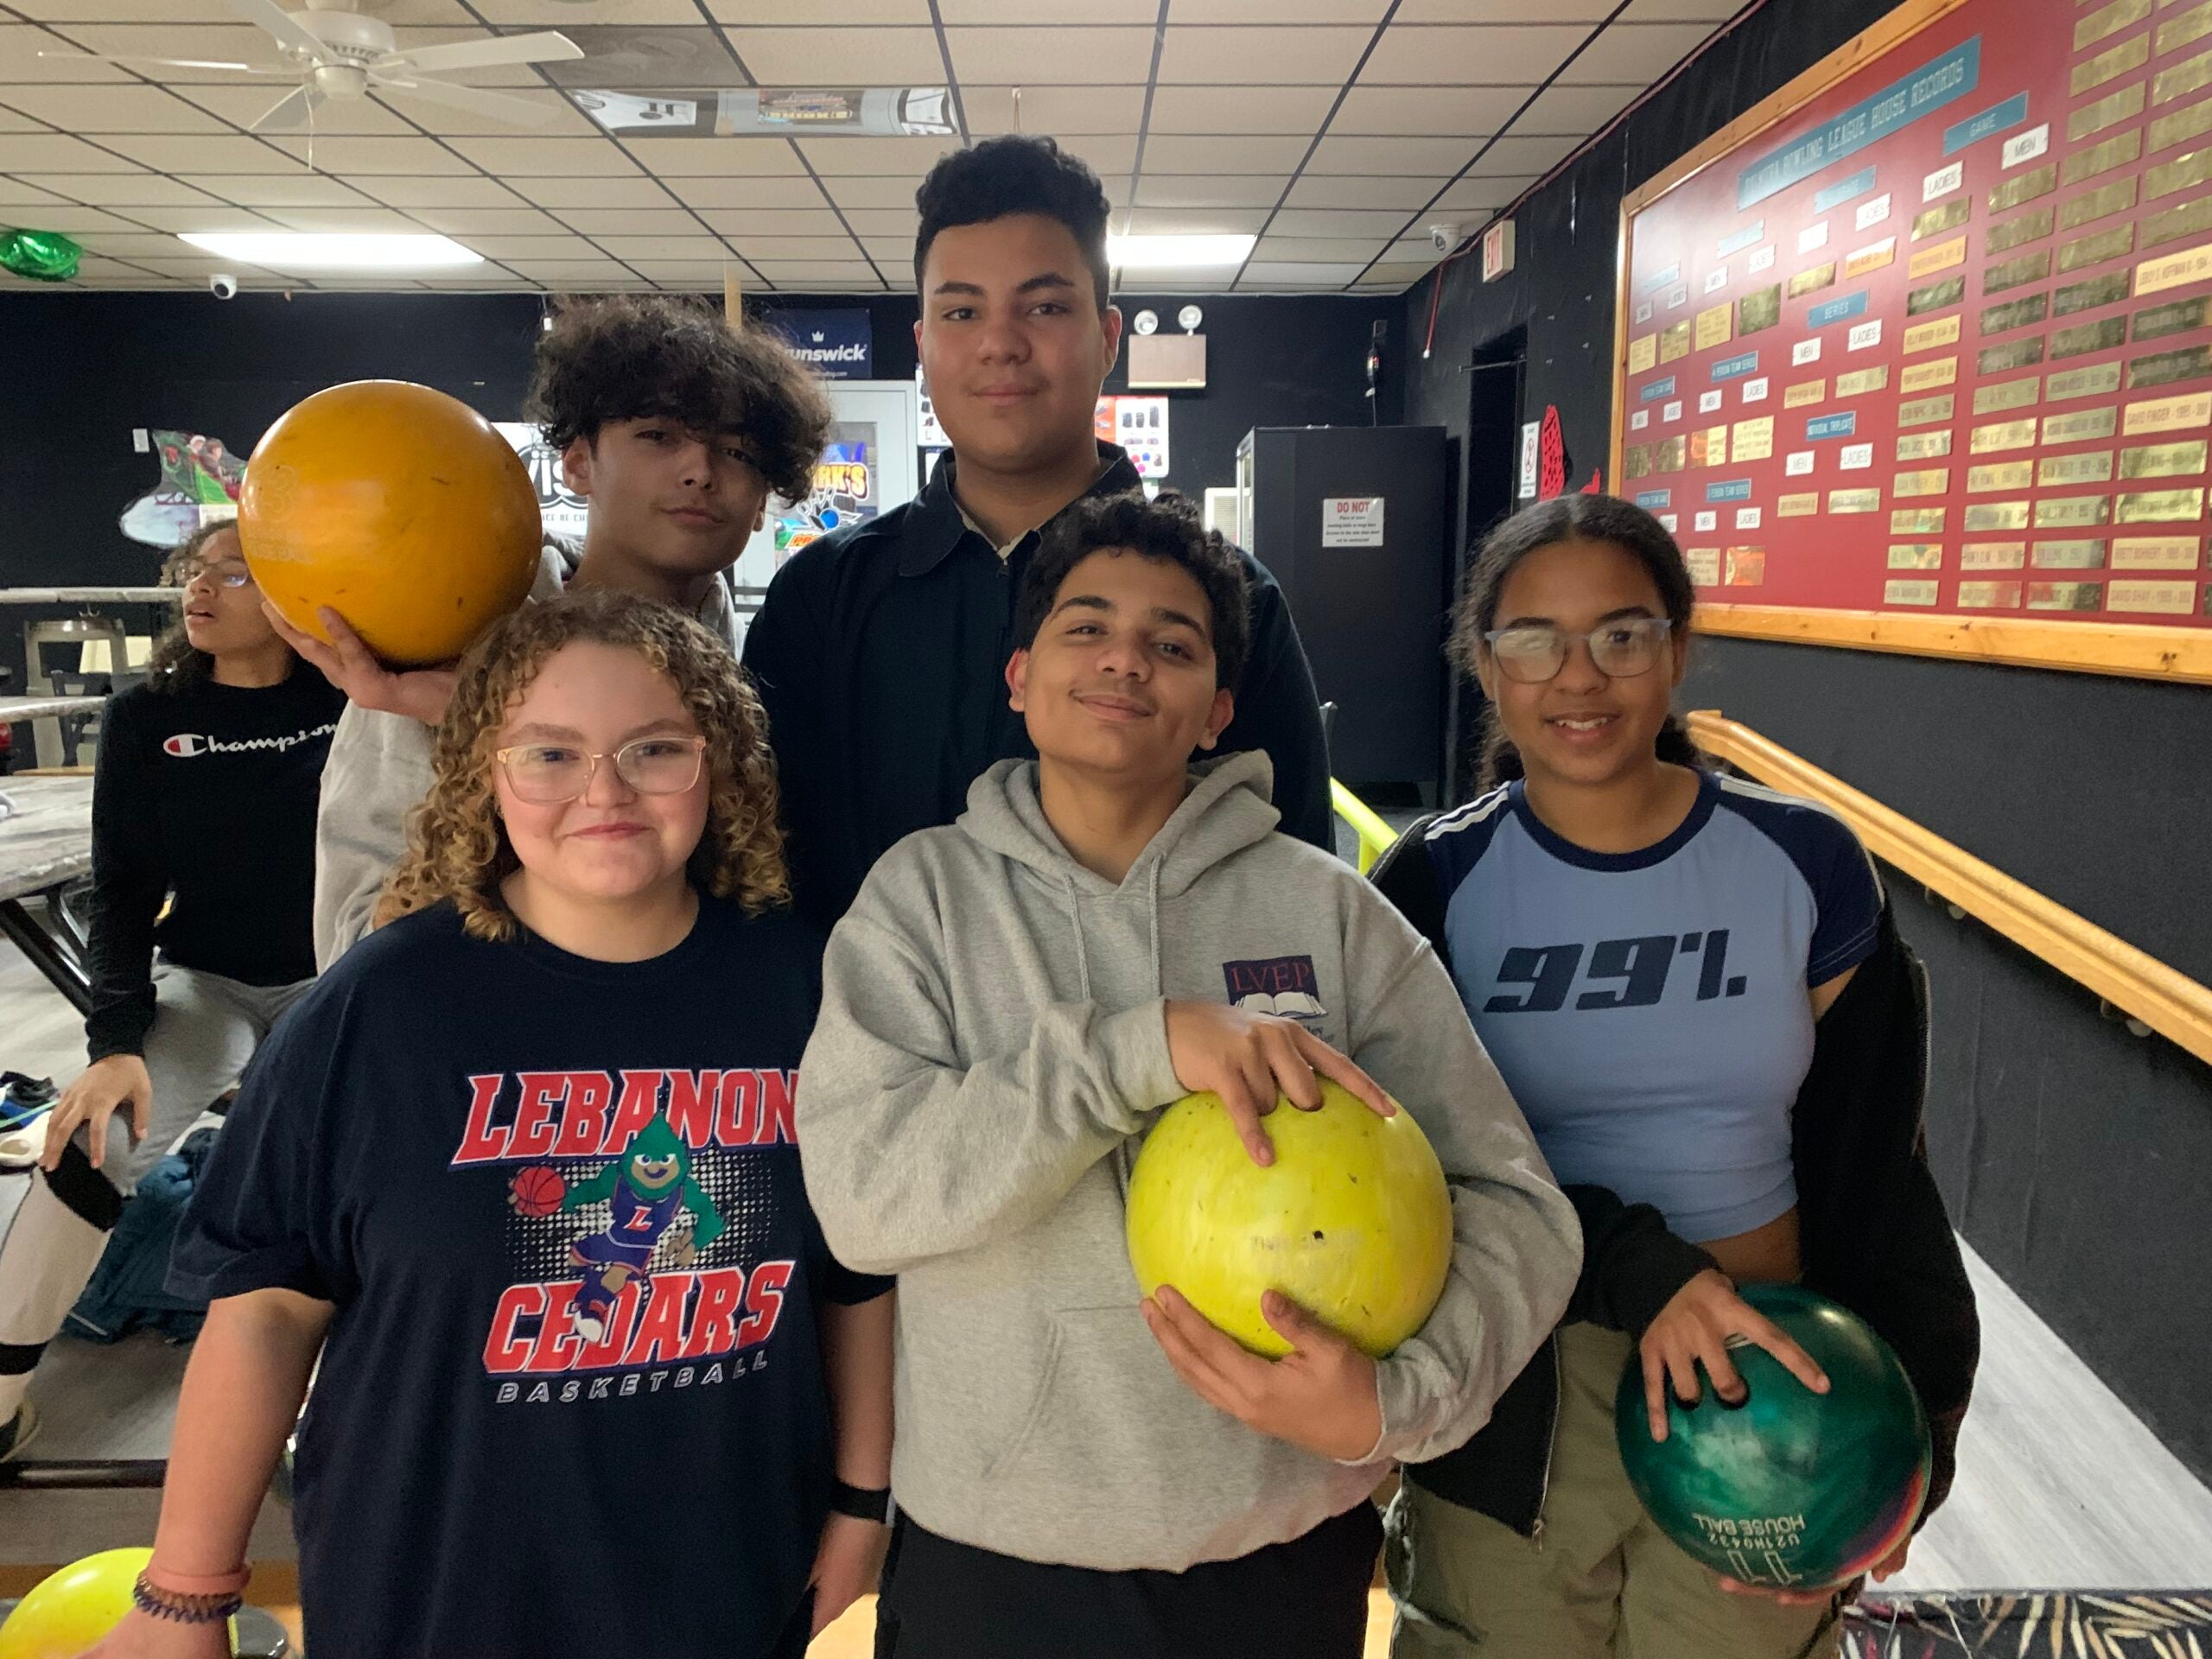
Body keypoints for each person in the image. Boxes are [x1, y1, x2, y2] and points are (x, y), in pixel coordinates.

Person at [796, 491, 1580, 1658]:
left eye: (1173, 642)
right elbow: (861, 1204)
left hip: (1277, 1561)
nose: (1126, 660)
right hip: (995, 1561)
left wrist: (1393, 1405)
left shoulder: (1333, 915)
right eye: (1086, 627)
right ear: (1018, 675)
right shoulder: (919, 904)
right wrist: (1137, 1048)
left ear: (1216, 710)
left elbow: (1517, 1204)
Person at [92, 590, 893, 1658]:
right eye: (550, 755)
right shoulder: (379, 1006)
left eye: (654, 749)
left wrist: (858, 1501)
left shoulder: (804, 989)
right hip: (437, 1585)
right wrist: (182, 1598)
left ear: (722, 764)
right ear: (484, 774)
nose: (604, 791)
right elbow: (266, 1311)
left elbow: (854, 1276)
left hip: (724, 1576)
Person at [1370, 495, 1980, 1659]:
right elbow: (1423, 1171)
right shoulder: (1433, 884)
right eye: (1535, 639)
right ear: (1485, 667)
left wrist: (1913, 1433)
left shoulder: (1809, 866)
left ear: (1680, 649)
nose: (1579, 675)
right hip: (1517, 1383)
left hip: (1772, 1379)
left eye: (1623, 633)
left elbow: (1878, 1169)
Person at [745, 135, 1333, 930]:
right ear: (924, 347)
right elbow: (766, 876)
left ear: (1108, 338)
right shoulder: (820, 601)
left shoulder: (1229, 602)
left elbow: (1291, 880)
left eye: (1045, 307)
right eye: (961, 311)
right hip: (880, 1044)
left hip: (1162, 1046)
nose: (1000, 342)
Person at [285, 295, 831, 969]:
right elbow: (351, 942)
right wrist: (490, 736)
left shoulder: (755, 671)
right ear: (576, 463)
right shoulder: (445, 647)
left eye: (739, 451)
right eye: (658, 436)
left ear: (761, 505)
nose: (700, 470)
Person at [0, 523, 342, 1463]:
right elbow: (120, 888)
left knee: (338, 1169)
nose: (200, 588)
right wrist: (113, 1043)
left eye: (231, 572)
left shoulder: (351, 697)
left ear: (285, 593)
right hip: (210, 980)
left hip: (334, 974)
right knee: (95, 1135)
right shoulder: (145, 716)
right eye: (192, 572)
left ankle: (342, 1402)